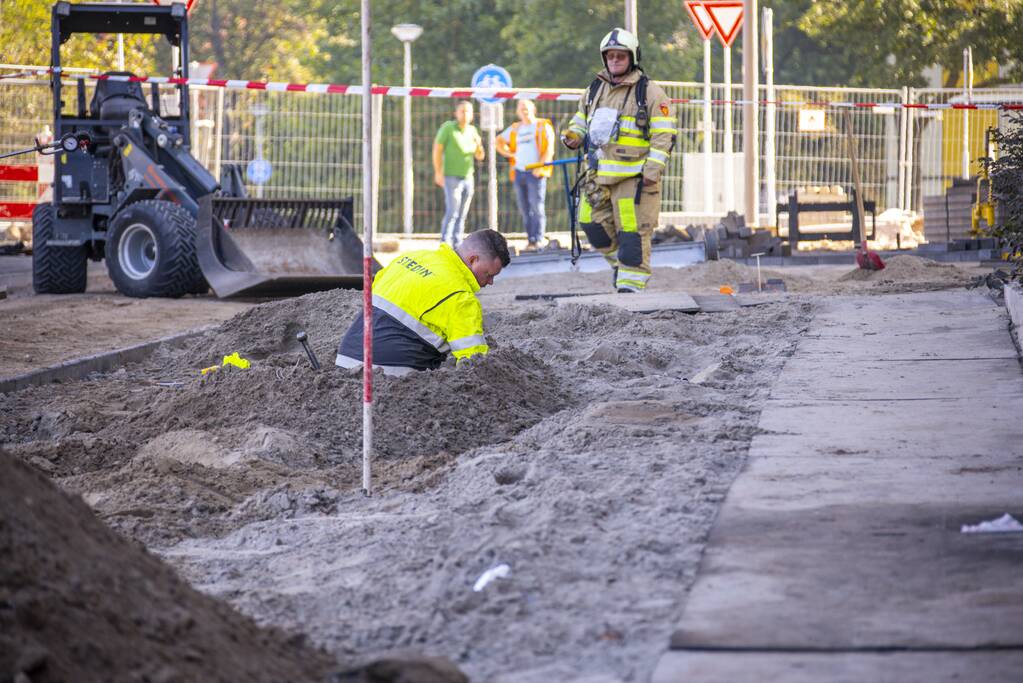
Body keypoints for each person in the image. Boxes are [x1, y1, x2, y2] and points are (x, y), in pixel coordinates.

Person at [562, 28, 675, 292]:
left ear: (633, 57)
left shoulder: (650, 93)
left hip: (633, 179)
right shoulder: (594, 89)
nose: (614, 60)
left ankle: (630, 289)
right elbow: (580, 121)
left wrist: (652, 170)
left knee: (631, 235)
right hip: (596, 175)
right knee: (591, 224)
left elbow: (664, 135)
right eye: (610, 56)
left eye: (620, 56)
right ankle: (620, 267)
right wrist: (573, 136)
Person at [335, 229, 511, 375]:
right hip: (387, 375)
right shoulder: (461, 298)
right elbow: (476, 365)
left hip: (346, 360)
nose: (490, 282)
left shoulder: (412, 258)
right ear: (473, 260)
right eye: (489, 275)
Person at [495, 100, 556, 250]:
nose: (524, 111)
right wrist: (508, 153)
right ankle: (531, 240)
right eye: (521, 108)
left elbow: (549, 149)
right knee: (524, 208)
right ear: (517, 111)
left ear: (534, 109)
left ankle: (539, 239)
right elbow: (499, 141)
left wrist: (540, 166)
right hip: (519, 171)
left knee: (536, 206)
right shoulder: (515, 128)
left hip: (535, 172)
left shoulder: (542, 126)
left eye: (527, 108)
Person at [434, 100, 485, 247]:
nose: (465, 114)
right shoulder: (448, 128)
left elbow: (480, 156)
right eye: (462, 111)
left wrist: (479, 144)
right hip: (451, 177)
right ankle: (445, 242)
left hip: (468, 177)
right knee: (452, 211)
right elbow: (437, 150)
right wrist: (438, 172)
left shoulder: (472, 131)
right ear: (456, 113)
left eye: (468, 111)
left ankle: (457, 243)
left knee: (462, 213)